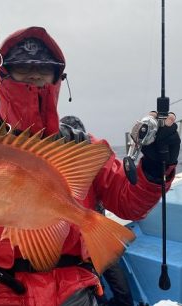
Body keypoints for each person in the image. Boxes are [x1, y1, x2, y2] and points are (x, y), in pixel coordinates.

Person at [0, 3, 181, 306]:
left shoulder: (82, 147)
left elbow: (129, 201)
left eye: (44, 68)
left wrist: (158, 165)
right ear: (1, 75)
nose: (34, 75)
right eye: (22, 67)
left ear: (59, 79)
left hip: (72, 288)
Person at [60, 115, 134, 306]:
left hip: (86, 239)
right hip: (96, 234)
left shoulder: (61, 167)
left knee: (94, 278)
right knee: (111, 276)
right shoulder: (89, 159)